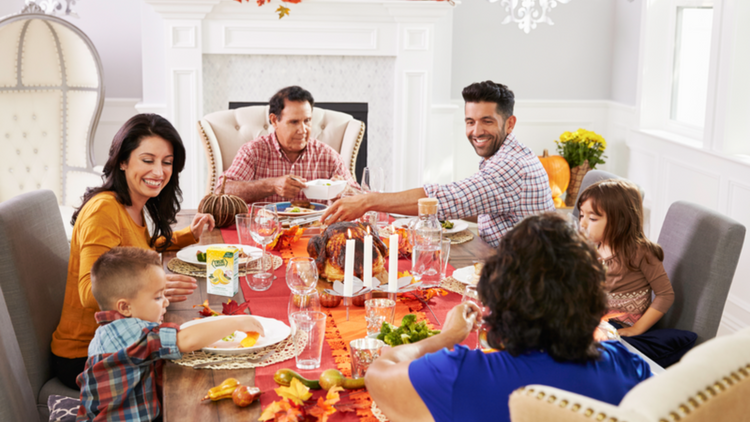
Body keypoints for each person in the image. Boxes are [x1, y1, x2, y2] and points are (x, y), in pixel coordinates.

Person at [365, 213, 652, 422]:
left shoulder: (460, 375)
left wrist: (448, 336)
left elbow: (378, 374)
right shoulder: (628, 364)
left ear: (497, 296)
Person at [51, 114, 216, 390]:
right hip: (88, 355)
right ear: (124, 161)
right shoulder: (104, 210)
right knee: (196, 369)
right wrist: (154, 285)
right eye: (148, 160)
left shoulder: (132, 206)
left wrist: (189, 236)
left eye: (167, 162)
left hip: (122, 339)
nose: (159, 172)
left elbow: (140, 248)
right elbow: (88, 292)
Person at [322, 81, 554, 247]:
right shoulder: (508, 155)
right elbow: (476, 204)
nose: (476, 131)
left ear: (510, 123)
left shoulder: (510, 167)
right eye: (470, 121)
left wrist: (368, 201)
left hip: (528, 279)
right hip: (503, 260)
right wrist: (369, 199)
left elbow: (448, 198)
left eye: (487, 121)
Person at [76, 247, 265, 421]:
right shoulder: (133, 333)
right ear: (125, 307)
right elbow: (187, 339)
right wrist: (235, 322)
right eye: (158, 297)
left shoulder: (106, 331)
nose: (165, 302)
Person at [578, 179, 695, 366]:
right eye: (581, 215)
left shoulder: (641, 252)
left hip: (621, 324)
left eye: (592, 218)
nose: (583, 224)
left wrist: (637, 329)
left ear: (620, 221)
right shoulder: (592, 246)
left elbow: (665, 295)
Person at [217, 85, 359, 203]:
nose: (303, 130)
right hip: (266, 233)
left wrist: (345, 192)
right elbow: (221, 192)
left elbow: (361, 198)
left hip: (314, 234)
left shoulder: (328, 155)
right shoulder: (253, 151)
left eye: (307, 121)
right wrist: (271, 185)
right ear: (274, 121)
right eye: (294, 122)